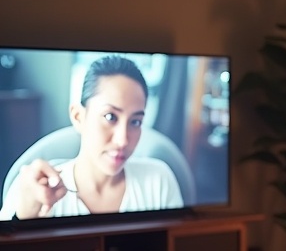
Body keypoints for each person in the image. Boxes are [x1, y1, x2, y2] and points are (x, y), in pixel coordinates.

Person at [0, 55, 184, 220]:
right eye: (110, 117)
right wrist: (23, 218)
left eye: (135, 122)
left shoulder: (159, 181)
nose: (123, 140)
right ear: (78, 117)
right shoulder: (35, 189)